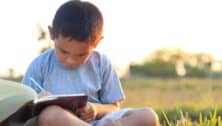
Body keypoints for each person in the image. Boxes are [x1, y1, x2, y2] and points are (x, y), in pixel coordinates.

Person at [22, 0, 159, 126]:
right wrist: (38, 100)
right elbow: (21, 110)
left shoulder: (101, 63)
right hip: (61, 122)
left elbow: (113, 106)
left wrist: (95, 109)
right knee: (50, 114)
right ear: (52, 34)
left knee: (148, 116)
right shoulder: (40, 65)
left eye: (81, 55)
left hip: (97, 123)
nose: (71, 60)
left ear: (97, 42)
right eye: (63, 52)